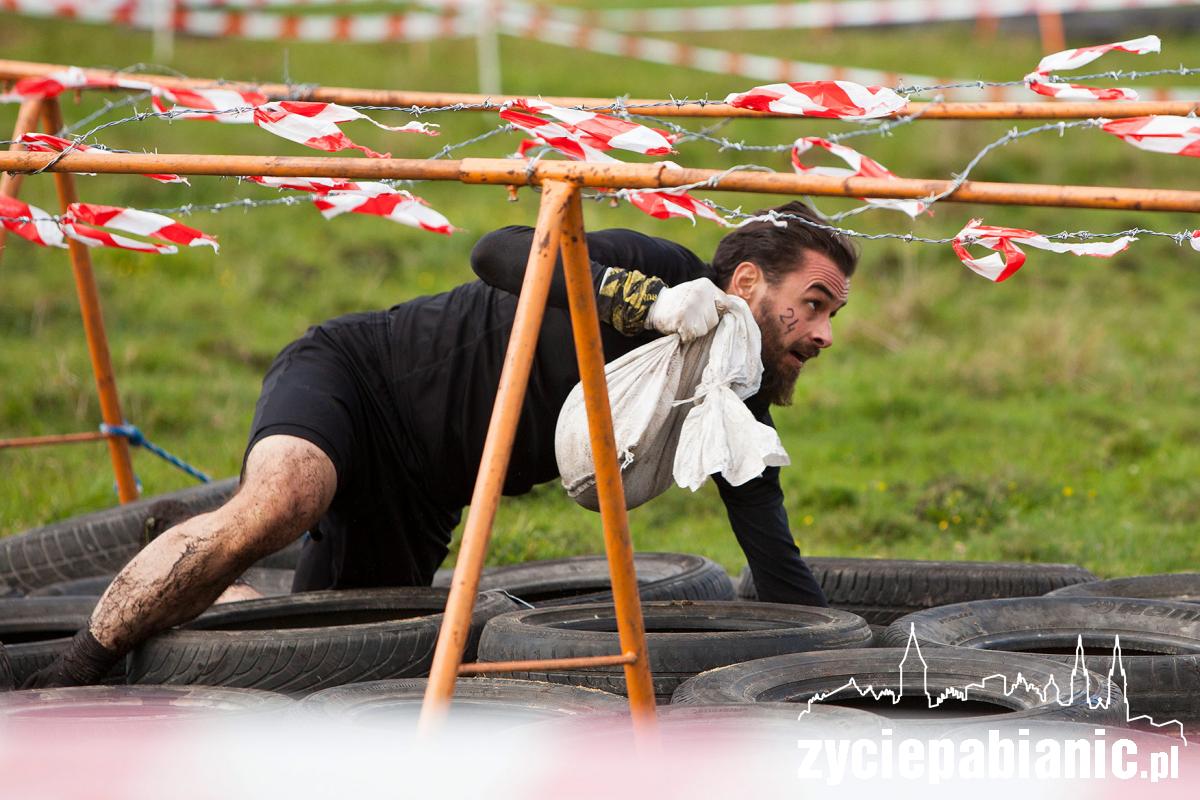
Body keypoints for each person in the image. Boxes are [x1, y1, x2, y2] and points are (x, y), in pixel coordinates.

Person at [24, 200, 856, 688]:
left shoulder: (730, 403)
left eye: (833, 316)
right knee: (287, 497)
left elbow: (772, 557)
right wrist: (644, 304)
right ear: (746, 282)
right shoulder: (657, 267)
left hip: (419, 492)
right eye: (813, 303)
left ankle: (189, 553)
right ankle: (69, 675)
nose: (822, 333)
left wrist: (843, 672)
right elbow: (497, 251)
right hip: (357, 378)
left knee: (318, 653)